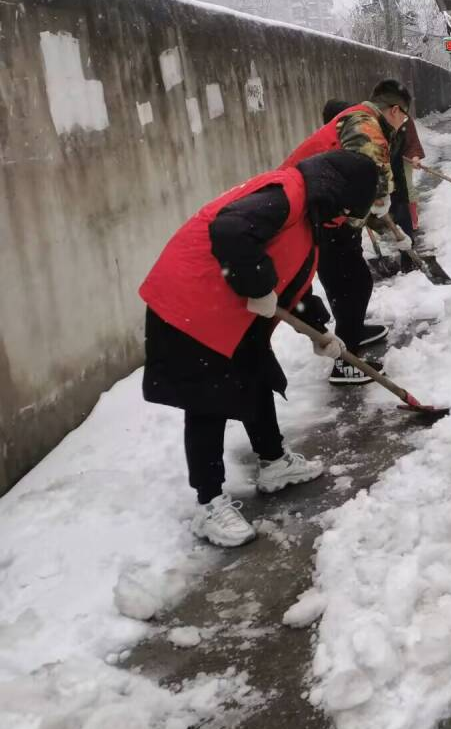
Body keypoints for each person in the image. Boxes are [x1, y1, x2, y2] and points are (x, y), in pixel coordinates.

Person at [139, 151, 378, 546]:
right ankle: (208, 503)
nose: (342, 221)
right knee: (208, 402)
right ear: (339, 195)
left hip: (226, 307)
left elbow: (291, 278)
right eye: (346, 212)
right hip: (188, 305)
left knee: (255, 374)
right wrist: (257, 285)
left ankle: (274, 461)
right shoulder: (287, 194)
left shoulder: (308, 211)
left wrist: (320, 332)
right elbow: (230, 230)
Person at [282, 80, 415, 383]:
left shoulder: (362, 119)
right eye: (405, 117)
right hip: (311, 213)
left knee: (348, 279)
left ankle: (351, 333)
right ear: (395, 110)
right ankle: (346, 360)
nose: (404, 123)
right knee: (353, 284)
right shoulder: (365, 124)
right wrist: (380, 201)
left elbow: (359, 191)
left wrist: (382, 222)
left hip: (326, 211)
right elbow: (366, 176)